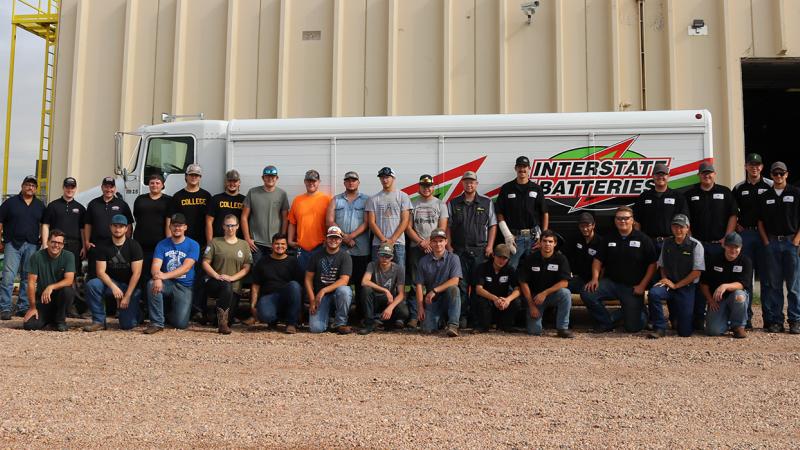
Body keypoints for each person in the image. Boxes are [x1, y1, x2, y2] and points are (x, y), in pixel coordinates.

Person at [582, 206, 657, 333]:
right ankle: (607, 322)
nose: (622, 221)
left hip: (632, 287)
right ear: (615, 220)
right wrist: (595, 278)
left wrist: (642, 285)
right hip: (611, 283)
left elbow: (652, 264)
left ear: (632, 220)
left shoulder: (643, 239)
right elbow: (598, 260)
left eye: (626, 218)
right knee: (587, 293)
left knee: (633, 328)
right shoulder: (608, 238)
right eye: (619, 218)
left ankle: (641, 313)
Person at [684, 161, 737, 330]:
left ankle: (728, 318)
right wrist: (691, 240)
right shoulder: (690, 194)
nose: (707, 175)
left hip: (718, 246)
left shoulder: (725, 192)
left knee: (720, 279)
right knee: (699, 281)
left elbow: (733, 215)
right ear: (699, 175)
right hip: (698, 246)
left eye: (710, 173)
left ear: (714, 174)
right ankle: (699, 318)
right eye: (703, 173)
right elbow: (686, 219)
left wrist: (727, 238)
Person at [446, 170, 497, 329]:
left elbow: (492, 225)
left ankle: (476, 319)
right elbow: (448, 226)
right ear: (462, 183)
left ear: (476, 184)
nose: (469, 184)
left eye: (472, 181)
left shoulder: (486, 202)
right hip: (459, 251)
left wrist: (490, 246)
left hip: (480, 250)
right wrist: (448, 244)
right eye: (466, 181)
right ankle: (462, 317)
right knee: (461, 286)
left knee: (477, 286)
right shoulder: (453, 203)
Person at [757, 161, 800, 334]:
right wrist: (766, 242)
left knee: (794, 285)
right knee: (774, 285)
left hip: (791, 243)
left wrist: (796, 241)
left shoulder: (796, 193)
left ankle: (795, 320)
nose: (779, 176)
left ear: (787, 174)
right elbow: (760, 222)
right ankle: (776, 321)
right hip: (772, 243)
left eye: (782, 173)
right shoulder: (765, 196)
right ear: (772, 175)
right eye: (775, 174)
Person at [647, 214, 705, 338]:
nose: (678, 230)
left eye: (681, 227)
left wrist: (676, 285)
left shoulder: (696, 245)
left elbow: (697, 272)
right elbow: (662, 265)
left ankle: (683, 319)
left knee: (684, 332)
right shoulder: (667, 243)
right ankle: (660, 328)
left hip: (686, 287)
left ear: (687, 228)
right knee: (654, 293)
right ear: (671, 228)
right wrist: (665, 278)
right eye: (675, 226)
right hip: (670, 284)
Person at [83, 215, 143, 331]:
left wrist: (127, 296)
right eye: (115, 226)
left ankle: (137, 312)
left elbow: (137, 273)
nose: (118, 229)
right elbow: (100, 272)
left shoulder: (134, 246)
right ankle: (99, 321)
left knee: (127, 325)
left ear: (126, 229)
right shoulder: (103, 246)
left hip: (130, 286)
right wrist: (114, 287)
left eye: (121, 226)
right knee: (93, 284)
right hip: (111, 284)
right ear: (110, 227)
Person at [732, 152, 772, 328]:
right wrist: (737, 225)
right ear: (746, 167)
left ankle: (770, 320)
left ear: (762, 167)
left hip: (765, 237)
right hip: (746, 235)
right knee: (746, 278)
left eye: (757, 165)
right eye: (751, 164)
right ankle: (745, 319)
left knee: (767, 278)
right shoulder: (739, 187)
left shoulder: (771, 185)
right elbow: (732, 211)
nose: (754, 167)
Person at [168, 164, 212, 321]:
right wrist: (170, 241)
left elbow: (209, 222)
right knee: (179, 275)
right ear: (186, 176)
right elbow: (170, 221)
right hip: (181, 244)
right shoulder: (177, 197)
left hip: (200, 244)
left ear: (200, 178)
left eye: (197, 175)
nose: (194, 177)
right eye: (191, 175)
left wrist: (209, 243)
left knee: (199, 278)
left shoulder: (207, 196)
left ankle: (198, 309)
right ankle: (178, 308)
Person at [145, 213, 200, 334]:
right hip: (168, 283)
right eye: (174, 225)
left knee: (180, 324)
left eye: (180, 225)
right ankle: (157, 323)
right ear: (170, 227)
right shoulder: (162, 244)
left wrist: (163, 275)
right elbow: (155, 266)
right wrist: (157, 277)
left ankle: (169, 313)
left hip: (184, 286)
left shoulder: (193, 244)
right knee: (151, 284)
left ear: (185, 227)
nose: (177, 228)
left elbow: (186, 268)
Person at [0, 175, 45, 320]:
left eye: (33, 185)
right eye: (27, 184)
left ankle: (23, 306)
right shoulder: (10, 203)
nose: (30, 187)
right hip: (12, 244)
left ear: (36, 188)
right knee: (8, 277)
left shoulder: (40, 205)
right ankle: (5, 307)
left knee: (27, 278)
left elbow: (44, 225)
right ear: (22, 186)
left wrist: (43, 242)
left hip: (32, 245)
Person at [406, 174, 449, 325]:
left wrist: (431, 242)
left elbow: (442, 227)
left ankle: (435, 315)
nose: (426, 189)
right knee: (414, 282)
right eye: (423, 186)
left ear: (433, 187)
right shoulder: (413, 204)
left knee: (436, 281)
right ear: (419, 188)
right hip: (416, 247)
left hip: (435, 248)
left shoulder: (440, 204)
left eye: (429, 186)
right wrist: (420, 242)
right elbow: (408, 227)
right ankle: (413, 315)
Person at [41, 177, 86, 316]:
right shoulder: (53, 205)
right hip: (55, 246)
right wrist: (44, 244)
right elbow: (45, 225)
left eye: (72, 187)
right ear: (63, 187)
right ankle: (51, 306)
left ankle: (70, 306)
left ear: (75, 188)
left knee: (72, 276)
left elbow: (83, 229)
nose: (70, 189)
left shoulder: (80, 208)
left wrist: (84, 246)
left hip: (74, 245)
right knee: (54, 274)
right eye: (67, 186)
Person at [326, 171, 370, 314]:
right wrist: (344, 237)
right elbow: (330, 221)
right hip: (340, 250)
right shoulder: (336, 200)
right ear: (344, 182)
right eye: (348, 180)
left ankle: (360, 315)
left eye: (354, 180)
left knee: (360, 284)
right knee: (338, 282)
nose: (351, 182)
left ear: (358, 182)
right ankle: (336, 313)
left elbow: (367, 222)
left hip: (361, 249)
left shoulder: (366, 200)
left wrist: (351, 236)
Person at [517, 230, 574, 338]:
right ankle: (533, 318)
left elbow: (565, 282)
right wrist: (531, 305)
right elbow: (523, 282)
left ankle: (562, 328)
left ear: (555, 244)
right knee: (534, 331)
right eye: (544, 241)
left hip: (551, 295)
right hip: (535, 298)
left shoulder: (561, 259)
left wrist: (545, 293)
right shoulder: (531, 258)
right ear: (540, 242)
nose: (547, 244)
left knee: (565, 293)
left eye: (550, 241)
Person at [202, 214, 252, 334]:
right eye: (227, 225)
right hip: (215, 282)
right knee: (225, 285)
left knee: (228, 320)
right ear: (223, 226)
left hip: (234, 286)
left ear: (238, 226)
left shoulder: (244, 245)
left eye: (233, 225)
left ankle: (221, 321)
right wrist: (216, 276)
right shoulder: (215, 242)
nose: (230, 228)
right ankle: (222, 325)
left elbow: (247, 267)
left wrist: (232, 278)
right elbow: (205, 262)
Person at [495, 156, 548, 269]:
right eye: (519, 167)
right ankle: (514, 288)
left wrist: (543, 236)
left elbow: (545, 213)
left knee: (536, 269)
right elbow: (499, 212)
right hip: (514, 238)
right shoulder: (507, 188)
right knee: (511, 268)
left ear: (529, 169)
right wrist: (507, 235)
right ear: (515, 168)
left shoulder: (536, 188)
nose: (522, 169)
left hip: (534, 238)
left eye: (524, 167)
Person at [21, 229, 75, 331]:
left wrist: (51, 287)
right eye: (53, 242)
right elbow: (31, 282)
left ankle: (60, 321)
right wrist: (32, 307)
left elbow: (69, 280)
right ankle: (50, 320)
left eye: (59, 243)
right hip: (43, 300)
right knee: (29, 325)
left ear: (63, 245)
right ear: (47, 242)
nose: (56, 245)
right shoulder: (37, 257)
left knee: (67, 290)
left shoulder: (69, 256)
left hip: (60, 299)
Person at [250, 233, 302, 334]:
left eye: (283, 244)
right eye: (277, 244)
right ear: (272, 246)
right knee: (266, 316)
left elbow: (299, 287)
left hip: (286, 296)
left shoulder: (293, 262)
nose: (280, 246)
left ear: (286, 246)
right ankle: (273, 320)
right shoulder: (263, 262)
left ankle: (291, 323)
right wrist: (253, 305)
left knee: (294, 285)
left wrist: (300, 310)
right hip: (268, 297)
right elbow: (256, 285)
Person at [701, 232, 751, 338]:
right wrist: (710, 300)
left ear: (741, 247)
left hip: (735, 297)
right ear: (724, 245)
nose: (733, 250)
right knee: (713, 331)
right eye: (730, 247)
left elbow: (742, 284)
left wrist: (724, 286)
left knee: (740, 296)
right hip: (718, 300)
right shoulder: (713, 260)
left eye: (736, 247)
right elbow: (704, 284)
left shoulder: (745, 261)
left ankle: (738, 326)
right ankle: (726, 321)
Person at [84, 176, 134, 279]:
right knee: (94, 276)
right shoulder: (93, 204)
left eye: (111, 187)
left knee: (114, 276)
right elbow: (88, 224)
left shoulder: (122, 204)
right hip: (96, 246)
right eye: (106, 187)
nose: (109, 190)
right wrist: (87, 241)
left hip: (115, 246)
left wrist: (126, 241)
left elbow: (129, 224)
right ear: (102, 188)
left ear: (115, 188)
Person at [306, 226, 353, 334]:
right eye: (331, 238)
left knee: (344, 290)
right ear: (326, 239)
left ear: (341, 240)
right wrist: (312, 300)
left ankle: (340, 323)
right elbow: (308, 279)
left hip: (336, 293)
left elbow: (344, 280)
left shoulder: (345, 256)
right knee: (316, 328)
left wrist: (323, 290)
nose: (333, 240)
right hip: (320, 297)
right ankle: (328, 321)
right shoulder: (316, 255)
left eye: (336, 238)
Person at [415, 228, 462, 337]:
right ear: (430, 243)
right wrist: (420, 307)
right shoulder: (423, 261)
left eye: (441, 241)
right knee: (427, 329)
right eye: (435, 241)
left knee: (454, 289)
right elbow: (419, 285)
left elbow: (455, 280)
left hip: (447, 298)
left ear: (446, 242)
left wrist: (435, 290)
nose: (438, 244)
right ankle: (440, 321)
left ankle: (453, 325)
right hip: (432, 302)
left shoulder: (454, 258)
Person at [632, 162, 689, 253]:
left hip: (671, 242)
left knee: (669, 267)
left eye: (663, 174)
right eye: (657, 174)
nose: (660, 177)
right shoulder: (644, 196)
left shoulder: (678, 196)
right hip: (648, 242)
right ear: (653, 176)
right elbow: (637, 221)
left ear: (668, 176)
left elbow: (684, 221)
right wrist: (639, 239)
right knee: (650, 267)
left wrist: (683, 241)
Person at [365, 167, 412, 269]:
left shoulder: (403, 196)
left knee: (399, 272)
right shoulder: (373, 199)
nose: (384, 180)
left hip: (398, 243)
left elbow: (405, 220)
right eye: (382, 177)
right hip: (379, 243)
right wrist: (383, 239)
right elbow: (371, 222)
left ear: (393, 178)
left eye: (387, 177)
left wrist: (393, 239)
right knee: (377, 272)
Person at [357, 243, 409, 335]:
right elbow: (364, 281)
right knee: (366, 289)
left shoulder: (398, 269)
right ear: (378, 255)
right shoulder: (372, 265)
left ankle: (384, 321)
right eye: (382, 255)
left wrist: (390, 307)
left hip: (388, 300)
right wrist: (385, 290)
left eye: (387, 256)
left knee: (404, 312)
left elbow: (401, 294)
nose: (384, 258)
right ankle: (369, 324)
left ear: (392, 257)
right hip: (375, 298)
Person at [241, 165, 289, 262]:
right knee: (257, 272)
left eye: (273, 176)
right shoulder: (252, 192)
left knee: (274, 272)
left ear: (277, 178)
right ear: (263, 178)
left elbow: (285, 218)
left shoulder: (282, 194)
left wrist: (282, 239)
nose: (270, 178)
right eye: (267, 176)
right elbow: (244, 217)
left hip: (275, 243)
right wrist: (247, 238)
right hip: (256, 244)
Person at [133, 173, 172, 292]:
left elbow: (169, 222)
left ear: (162, 185)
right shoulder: (140, 199)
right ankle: (143, 303)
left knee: (158, 274)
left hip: (160, 245)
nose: (154, 185)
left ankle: (159, 301)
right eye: (152, 183)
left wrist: (169, 242)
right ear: (148, 185)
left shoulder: (168, 200)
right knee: (142, 274)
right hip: (141, 244)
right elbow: (136, 218)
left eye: (157, 183)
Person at [288, 169, 332, 271]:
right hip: (301, 247)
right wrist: (290, 240)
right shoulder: (297, 200)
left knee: (319, 276)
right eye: (308, 180)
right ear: (305, 181)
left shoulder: (327, 199)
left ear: (319, 182)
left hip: (321, 246)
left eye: (314, 181)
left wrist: (328, 240)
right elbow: (292, 222)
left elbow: (331, 222)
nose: (311, 183)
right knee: (302, 276)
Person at [473, 244, 521, 333]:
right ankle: (482, 326)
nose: (501, 260)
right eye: (499, 257)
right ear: (493, 255)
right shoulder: (483, 267)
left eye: (505, 258)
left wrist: (508, 300)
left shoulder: (510, 269)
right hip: (488, 301)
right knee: (479, 300)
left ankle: (506, 326)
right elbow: (478, 289)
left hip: (502, 304)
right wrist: (494, 299)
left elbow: (517, 289)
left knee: (517, 301)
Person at [566, 212, 604, 296]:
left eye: (588, 225)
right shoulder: (575, 238)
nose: (585, 229)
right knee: (561, 289)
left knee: (588, 294)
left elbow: (604, 266)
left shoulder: (601, 242)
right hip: (578, 278)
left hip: (595, 280)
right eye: (582, 226)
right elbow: (564, 255)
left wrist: (598, 281)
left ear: (593, 225)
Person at [206, 169, 245, 243]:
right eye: (230, 181)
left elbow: (248, 221)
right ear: (225, 182)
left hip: (238, 241)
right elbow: (209, 222)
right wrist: (209, 242)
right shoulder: (216, 199)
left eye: (235, 181)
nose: (232, 184)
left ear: (239, 183)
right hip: (218, 241)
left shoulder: (244, 200)